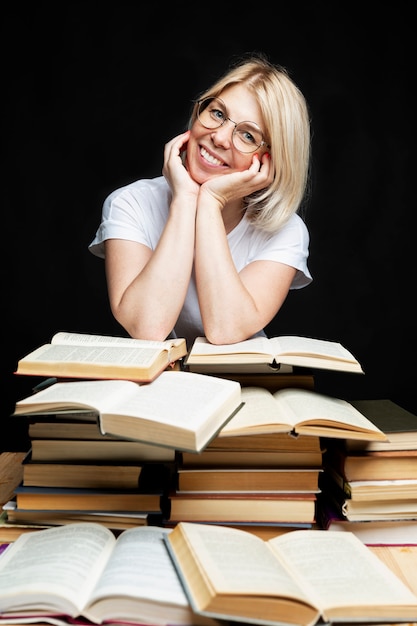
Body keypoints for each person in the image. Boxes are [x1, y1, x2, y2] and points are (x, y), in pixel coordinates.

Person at [89, 53, 313, 350]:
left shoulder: (287, 231)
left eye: (247, 135)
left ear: (271, 162)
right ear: (198, 112)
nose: (219, 137)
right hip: (150, 384)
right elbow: (147, 326)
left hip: (241, 384)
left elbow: (225, 329)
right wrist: (185, 200)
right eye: (218, 113)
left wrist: (211, 201)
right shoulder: (130, 203)